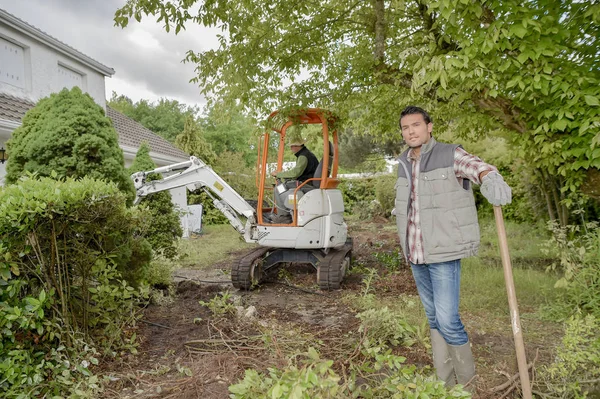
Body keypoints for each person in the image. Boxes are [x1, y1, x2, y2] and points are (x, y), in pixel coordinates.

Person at [394, 106, 511, 389]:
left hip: (443, 251)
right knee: (433, 318)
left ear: (429, 127)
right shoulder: (403, 162)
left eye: (416, 125)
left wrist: (490, 177)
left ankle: (466, 387)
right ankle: (444, 385)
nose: (411, 131)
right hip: (416, 252)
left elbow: (478, 167)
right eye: (405, 128)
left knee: (447, 319)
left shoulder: (450, 154)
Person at [270, 140, 319, 223]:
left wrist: (279, 174)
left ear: (298, 146)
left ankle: (283, 217)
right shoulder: (307, 154)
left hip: (307, 184)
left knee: (278, 189)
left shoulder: (303, 156)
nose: (291, 148)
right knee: (284, 187)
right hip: (308, 183)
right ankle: (287, 213)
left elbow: (295, 173)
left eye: (292, 146)